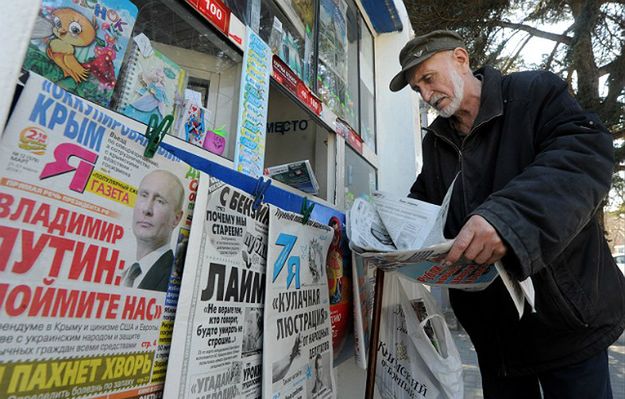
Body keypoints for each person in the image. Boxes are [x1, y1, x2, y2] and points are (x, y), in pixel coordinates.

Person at [389, 30, 625, 398]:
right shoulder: (437, 140)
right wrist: (381, 233)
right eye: (417, 89)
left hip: (565, 321)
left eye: (428, 78)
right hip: (495, 338)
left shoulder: (535, 93)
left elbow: (582, 156)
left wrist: (506, 219)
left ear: (461, 59)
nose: (425, 95)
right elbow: (425, 207)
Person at [122, 169, 185, 292]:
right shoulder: (125, 275)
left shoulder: (173, 279)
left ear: (176, 219)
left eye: (160, 201)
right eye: (144, 195)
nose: (147, 209)